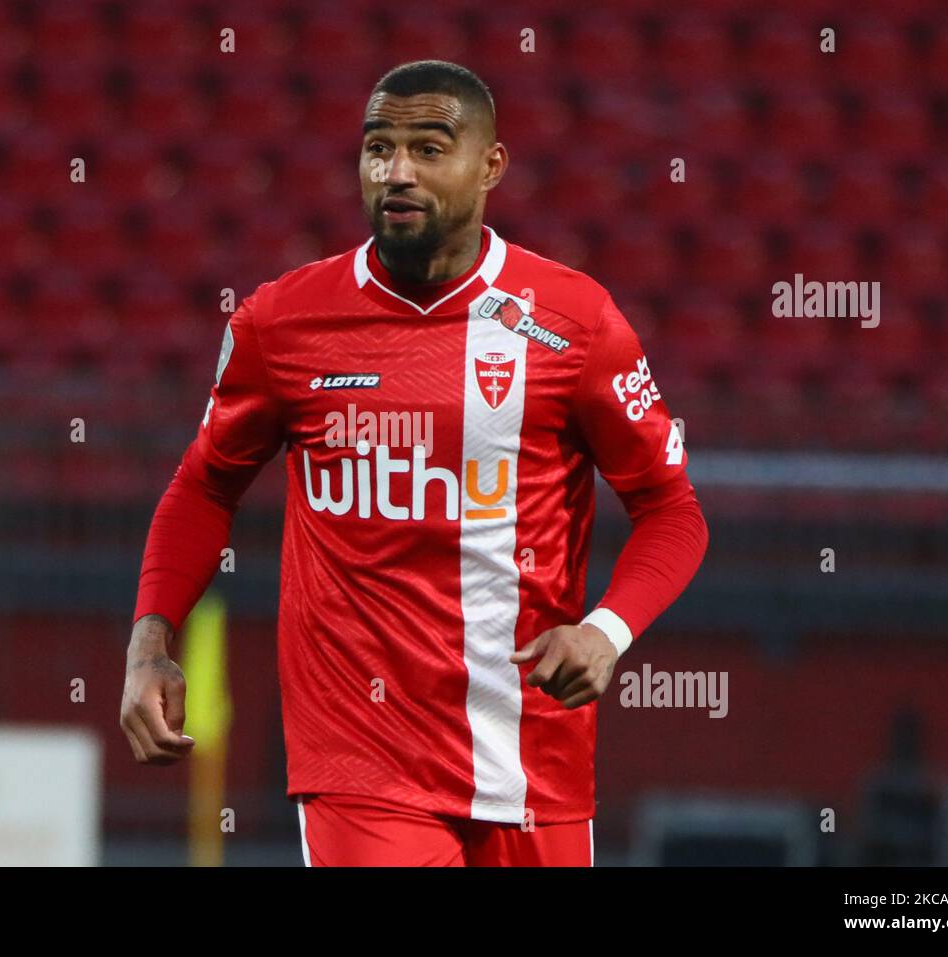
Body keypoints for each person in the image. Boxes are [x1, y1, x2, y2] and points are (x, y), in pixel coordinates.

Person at [120, 60, 708, 866]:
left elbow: (672, 510)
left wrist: (607, 631)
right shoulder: (284, 324)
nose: (396, 171)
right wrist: (149, 643)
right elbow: (202, 484)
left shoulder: (572, 324)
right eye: (377, 149)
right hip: (360, 759)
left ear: (490, 166)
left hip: (532, 756)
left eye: (430, 148)